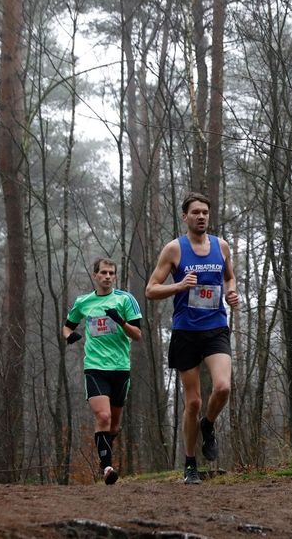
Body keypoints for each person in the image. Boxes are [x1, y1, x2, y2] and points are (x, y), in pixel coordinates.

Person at [146, 192, 240, 485]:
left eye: (205, 212)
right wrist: (179, 287)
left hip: (215, 327)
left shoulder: (221, 246)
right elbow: (151, 289)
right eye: (196, 212)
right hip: (186, 330)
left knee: (223, 387)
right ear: (185, 217)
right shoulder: (174, 249)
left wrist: (231, 292)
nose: (201, 217)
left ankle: (208, 426)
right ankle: (189, 463)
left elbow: (229, 277)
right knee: (194, 402)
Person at [63, 258, 143, 485]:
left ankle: (103, 457)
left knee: (114, 426)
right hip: (95, 367)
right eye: (104, 273)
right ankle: (107, 467)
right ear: (95, 275)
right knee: (103, 416)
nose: (108, 276)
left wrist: (120, 321)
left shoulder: (125, 300)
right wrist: (70, 336)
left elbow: (137, 335)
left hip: (120, 368)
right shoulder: (84, 302)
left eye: (112, 273)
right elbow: (67, 326)